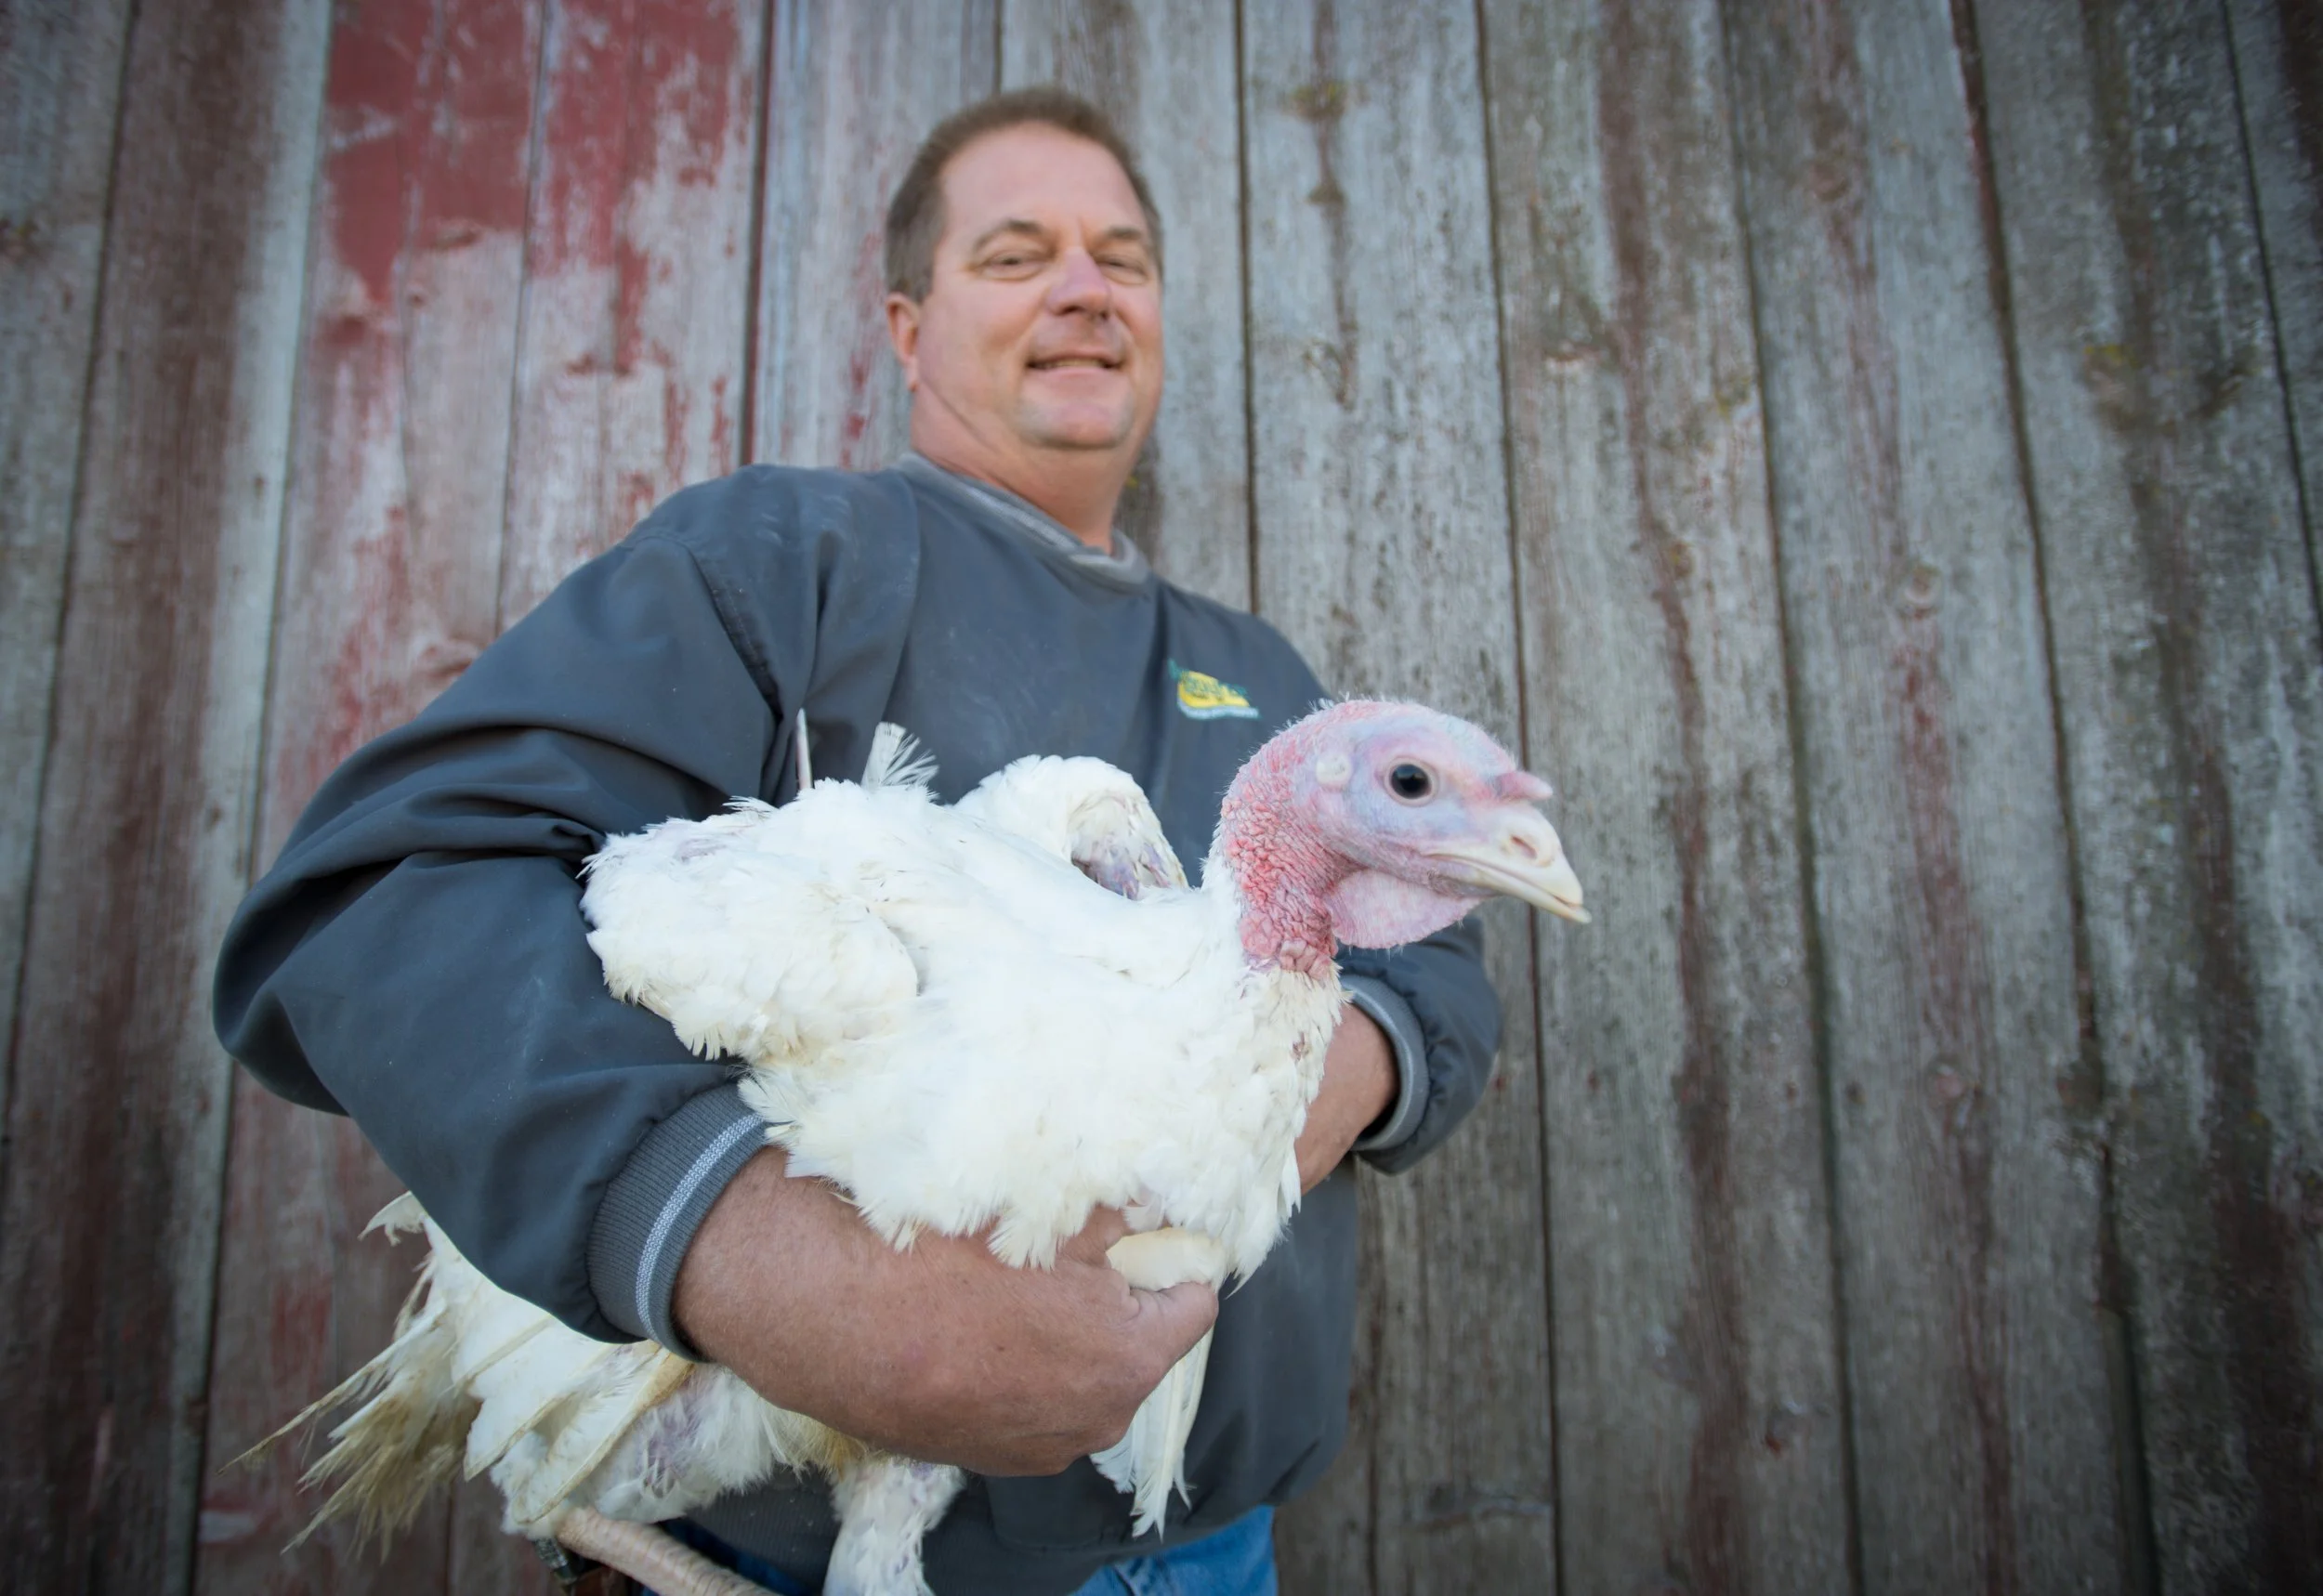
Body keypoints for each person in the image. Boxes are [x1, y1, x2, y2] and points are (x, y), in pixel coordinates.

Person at [215, 87, 1501, 1595]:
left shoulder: (1266, 678)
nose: (1086, 288)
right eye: (1018, 254)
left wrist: (1284, 1086)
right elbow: (384, 903)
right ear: (907, 329)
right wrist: (785, 1269)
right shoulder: (782, 562)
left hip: (1218, 1547)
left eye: (1122, 257)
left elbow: (1449, 963)